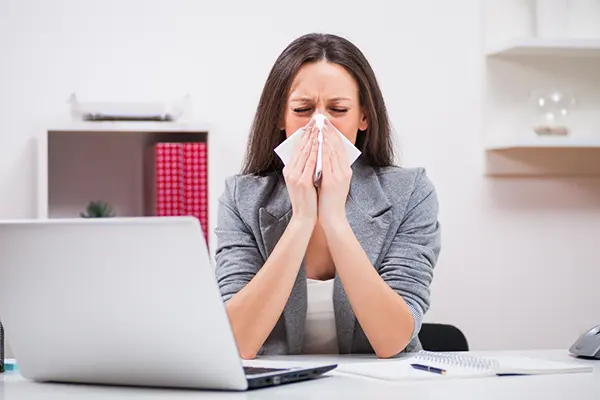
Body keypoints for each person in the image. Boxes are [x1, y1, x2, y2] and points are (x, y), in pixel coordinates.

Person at [214, 33, 441, 360]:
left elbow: (391, 340)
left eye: (338, 109)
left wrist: (334, 219)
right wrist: (302, 220)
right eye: (303, 109)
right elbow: (237, 342)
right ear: (280, 116)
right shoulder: (241, 198)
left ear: (364, 117)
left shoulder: (411, 193)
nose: (319, 126)